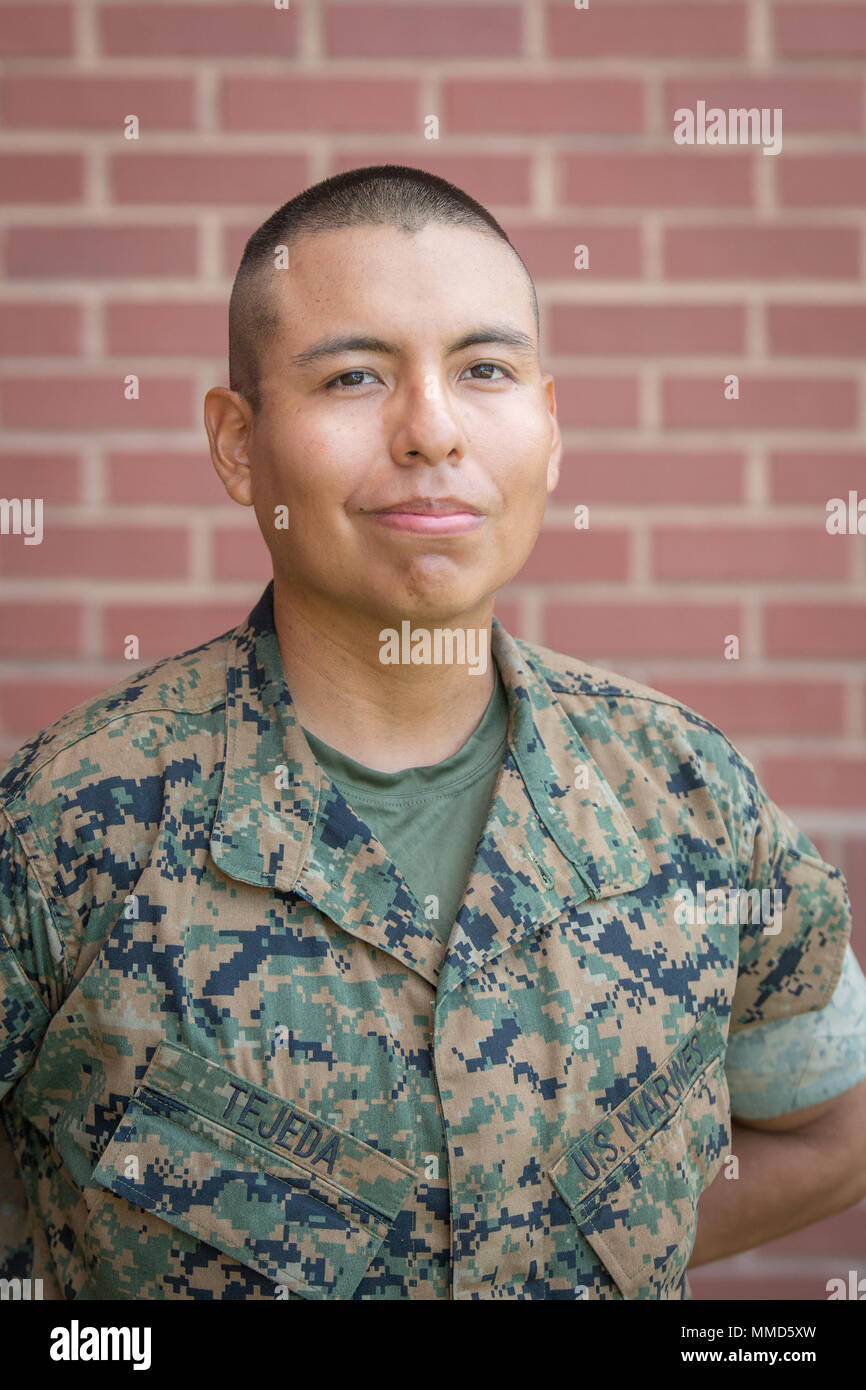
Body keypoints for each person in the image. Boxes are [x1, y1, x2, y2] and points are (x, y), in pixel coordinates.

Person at [1, 164, 864, 1302]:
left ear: (547, 431)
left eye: (484, 369)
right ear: (236, 443)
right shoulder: (59, 830)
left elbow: (830, 1126)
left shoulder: (688, 795)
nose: (430, 430)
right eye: (354, 374)